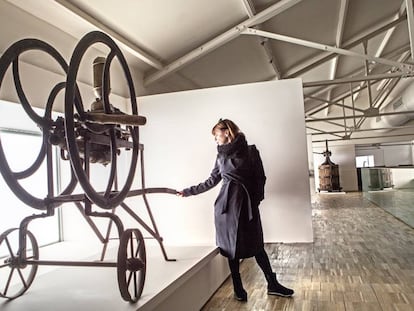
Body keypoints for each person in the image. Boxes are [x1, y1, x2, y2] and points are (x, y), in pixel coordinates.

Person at [178, 118, 294, 302]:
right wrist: (188, 191)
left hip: (247, 205)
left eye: (216, 135)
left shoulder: (251, 151)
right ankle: (238, 288)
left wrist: (255, 201)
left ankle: (273, 284)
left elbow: (260, 178)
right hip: (226, 207)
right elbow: (211, 181)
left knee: (256, 244)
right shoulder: (220, 156)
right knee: (231, 247)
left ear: (226, 132)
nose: (215, 139)